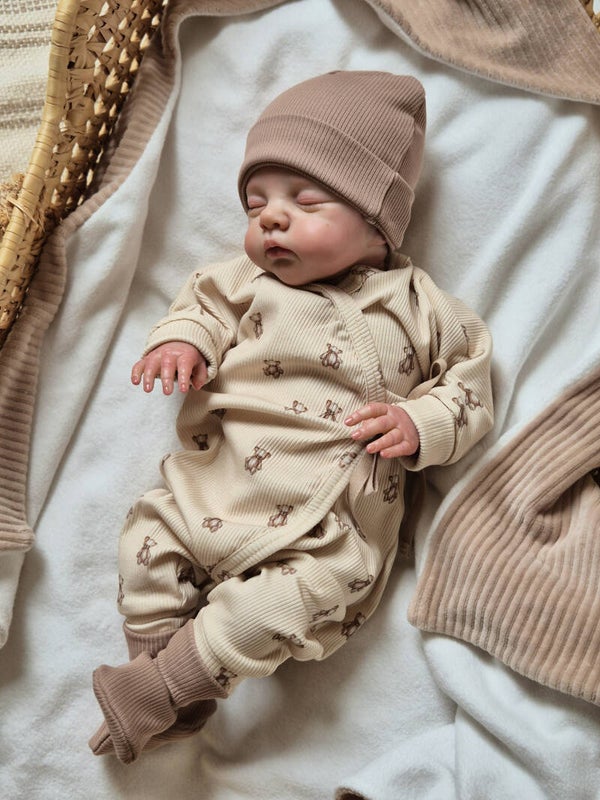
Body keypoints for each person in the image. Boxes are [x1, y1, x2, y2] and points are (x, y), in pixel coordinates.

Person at [89, 70, 494, 764]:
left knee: (276, 609)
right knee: (146, 538)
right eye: (256, 206)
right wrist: (181, 343)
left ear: (377, 217)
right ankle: (165, 679)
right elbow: (199, 309)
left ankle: (162, 688)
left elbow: (471, 390)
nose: (271, 219)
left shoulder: (422, 307)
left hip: (331, 531)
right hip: (217, 490)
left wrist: (422, 423)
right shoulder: (243, 282)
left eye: (305, 201)